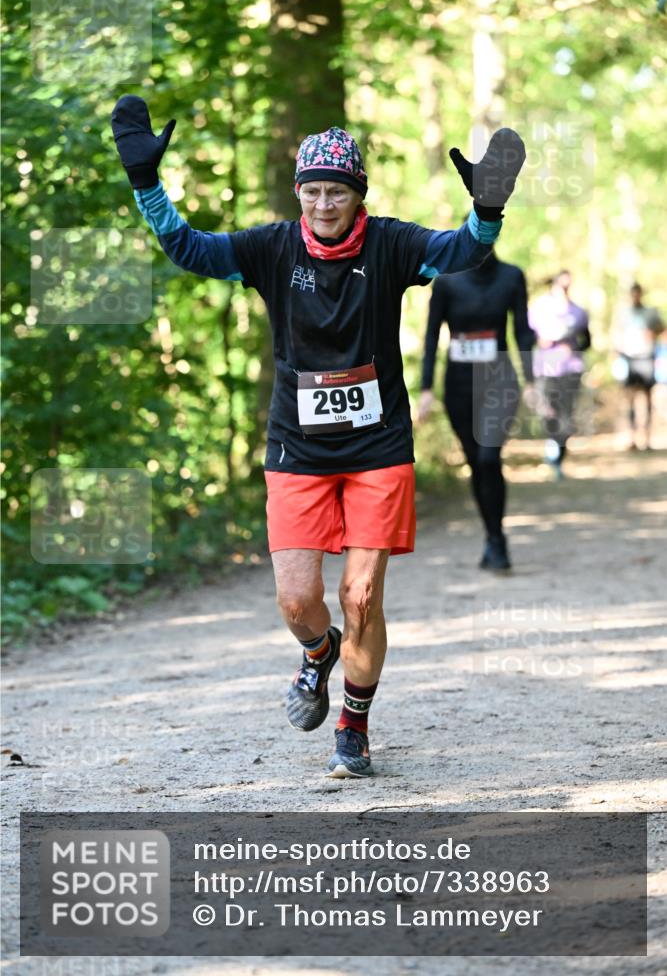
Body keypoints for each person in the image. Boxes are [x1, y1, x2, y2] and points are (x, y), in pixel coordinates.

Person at [111, 96, 525, 777]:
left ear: (356, 195)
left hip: (378, 445)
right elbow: (188, 248)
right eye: (313, 191)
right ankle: (316, 651)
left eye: (337, 191)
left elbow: (460, 251)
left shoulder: (391, 244)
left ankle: (353, 726)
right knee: (297, 600)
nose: (324, 204)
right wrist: (145, 184)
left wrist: (486, 209)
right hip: (297, 449)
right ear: (298, 193)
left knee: (360, 595)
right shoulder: (270, 248)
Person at [418, 248, 534, 571]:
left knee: (488, 457)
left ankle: (497, 542)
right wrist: (426, 388)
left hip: (500, 381)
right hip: (458, 385)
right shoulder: (446, 280)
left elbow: (522, 331)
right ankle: (492, 536)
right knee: (475, 462)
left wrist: (532, 380)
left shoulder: (512, 276)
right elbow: (431, 335)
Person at [528, 270, 590, 479]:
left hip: (570, 369)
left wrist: (573, 347)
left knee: (566, 416)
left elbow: (587, 341)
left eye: (568, 285)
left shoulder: (578, 312)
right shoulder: (539, 307)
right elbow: (529, 335)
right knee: (547, 411)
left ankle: (557, 459)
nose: (564, 288)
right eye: (561, 285)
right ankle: (552, 449)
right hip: (545, 369)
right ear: (553, 284)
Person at [612, 283, 664, 450]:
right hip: (630, 358)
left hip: (646, 357)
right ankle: (632, 437)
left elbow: (663, 329)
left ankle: (647, 437)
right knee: (630, 399)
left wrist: (653, 333)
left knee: (648, 398)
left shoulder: (650, 313)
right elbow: (617, 335)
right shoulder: (624, 314)